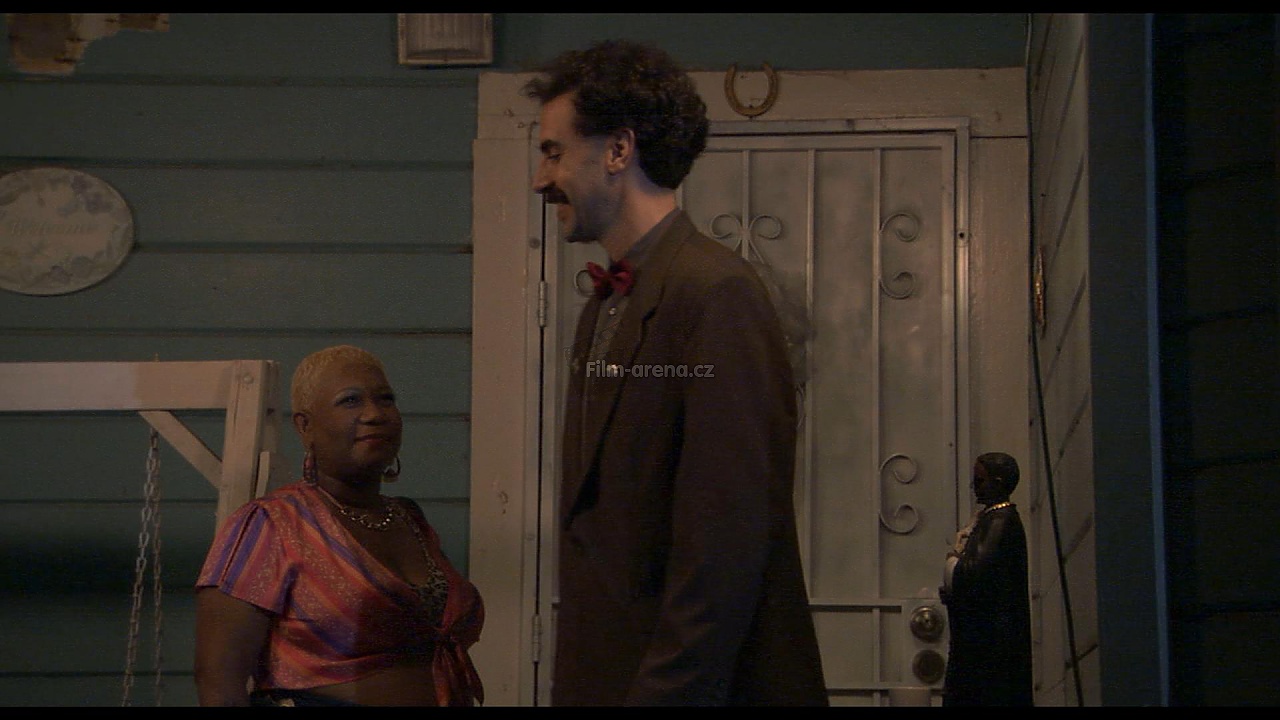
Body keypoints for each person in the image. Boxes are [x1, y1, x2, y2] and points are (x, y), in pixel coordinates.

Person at [523, 39, 828, 706]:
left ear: (618, 150)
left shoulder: (717, 293)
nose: (540, 179)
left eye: (553, 152)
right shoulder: (605, 303)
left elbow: (727, 543)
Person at [193, 345, 484, 706]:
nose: (374, 414)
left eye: (386, 399)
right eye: (350, 401)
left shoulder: (409, 519)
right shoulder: (270, 524)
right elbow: (218, 680)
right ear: (305, 426)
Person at [939, 451, 1033, 706]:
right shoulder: (990, 519)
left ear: (997, 483)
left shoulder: (1000, 520)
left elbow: (971, 574)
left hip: (989, 649)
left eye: (980, 481)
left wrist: (953, 561)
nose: (975, 487)